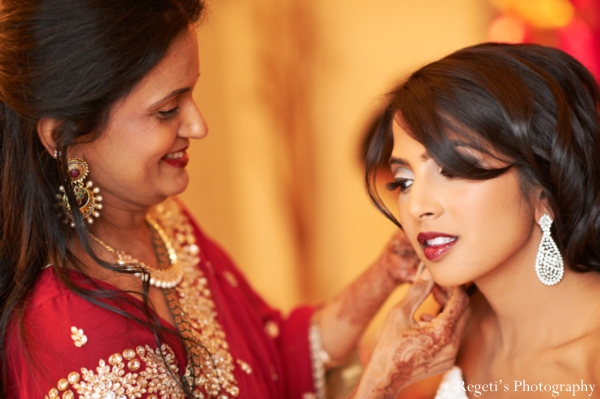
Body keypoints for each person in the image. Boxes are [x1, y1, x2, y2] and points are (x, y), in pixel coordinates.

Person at [0, 1, 470, 398]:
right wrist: (381, 382)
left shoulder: (164, 226)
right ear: (64, 135)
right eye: (167, 110)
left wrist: (386, 273)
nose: (198, 126)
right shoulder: (76, 337)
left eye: (193, 96)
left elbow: (269, 359)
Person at [365, 42, 600, 398]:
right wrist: (380, 379)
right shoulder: (437, 343)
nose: (416, 207)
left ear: (544, 188)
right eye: (404, 182)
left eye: (453, 170)